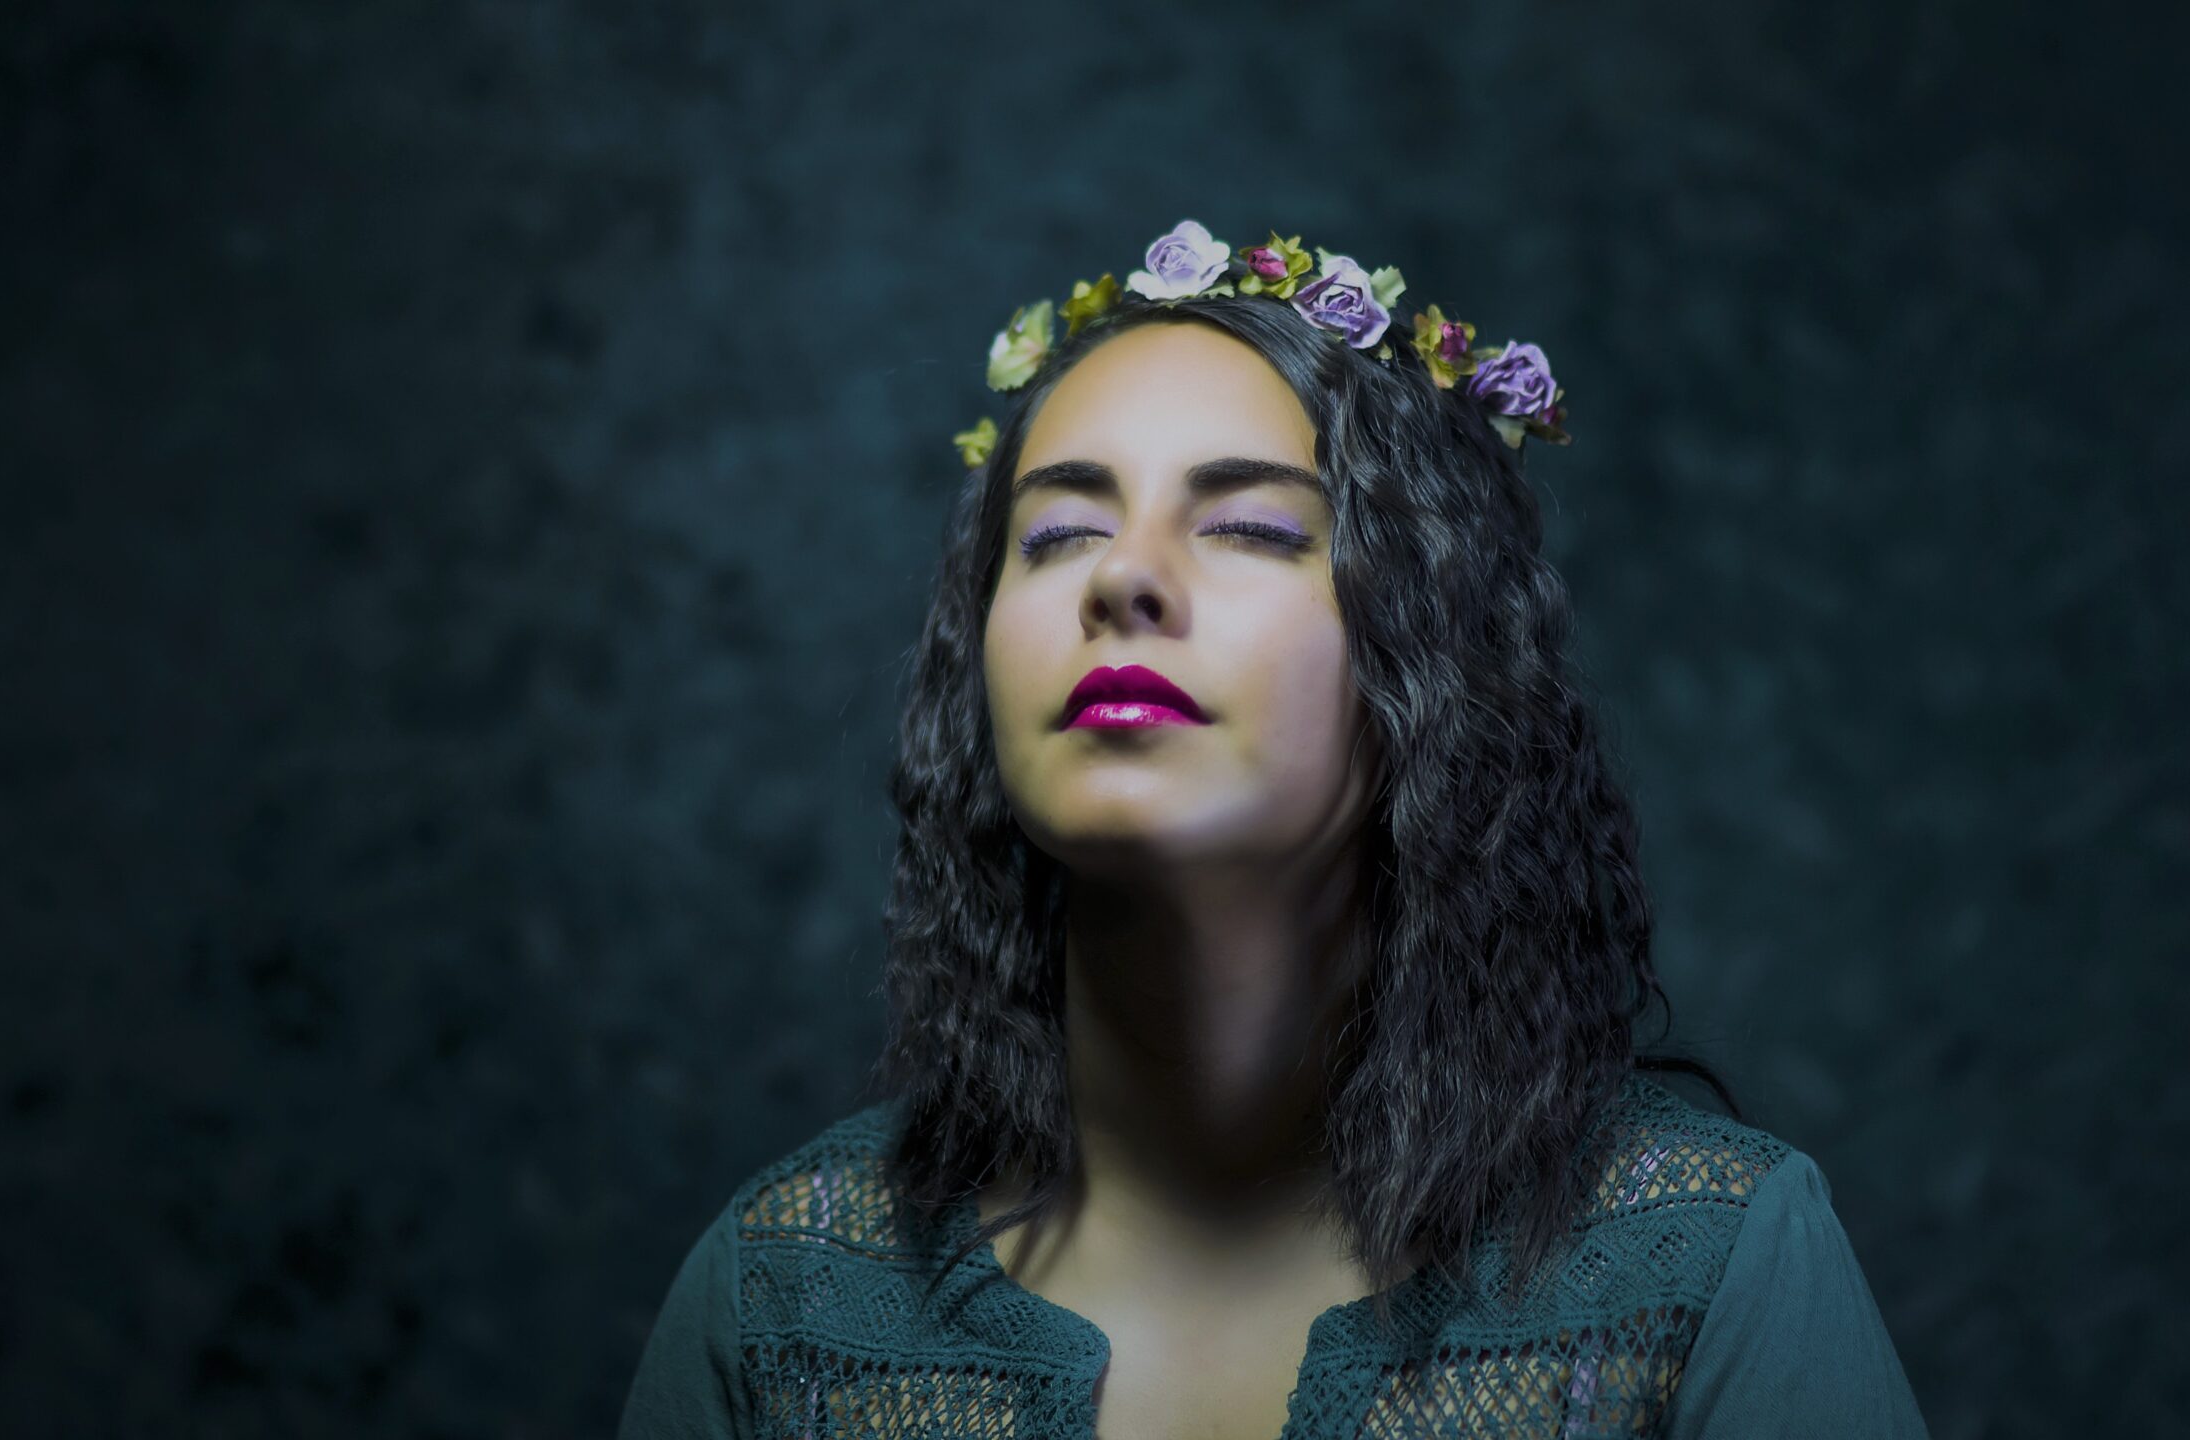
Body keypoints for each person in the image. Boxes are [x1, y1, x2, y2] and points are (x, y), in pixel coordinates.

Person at [618, 220, 1929, 1438]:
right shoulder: (779, 1292)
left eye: (1249, 526)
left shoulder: (1709, 1264)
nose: (1125, 578)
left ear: (1431, 650)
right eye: (1059, 531)